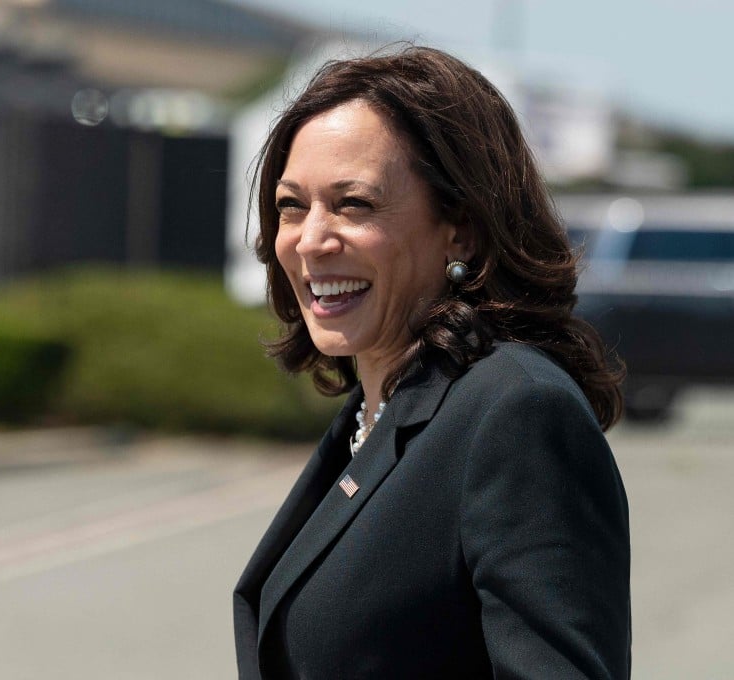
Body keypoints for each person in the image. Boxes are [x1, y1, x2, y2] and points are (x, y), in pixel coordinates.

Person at [233, 45, 631, 679]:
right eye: (291, 205)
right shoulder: (381, 411)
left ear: (461, 229)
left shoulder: (518, 413)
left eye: (354, 203)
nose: (311, 239)